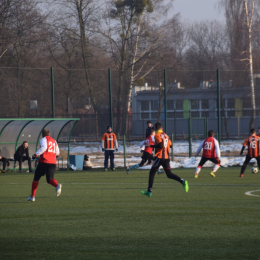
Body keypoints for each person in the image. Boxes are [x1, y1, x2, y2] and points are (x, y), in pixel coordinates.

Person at [141, 122, 189, 197]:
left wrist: (151, 145)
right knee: (169, 174)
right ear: (162, 128)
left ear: (155, 129)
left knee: (152, 173)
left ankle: (149, 191)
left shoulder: (157, 135)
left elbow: (160, 145)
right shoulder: (166, 135)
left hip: (160, 157)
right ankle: (182, 181)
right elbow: (171, 146)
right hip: (167, 158)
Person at [27, 129, 61, 202]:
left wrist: (36, 154)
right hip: (53, 163)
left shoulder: (44, 139)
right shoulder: (54, 141)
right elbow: (58, 152)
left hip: (44, 161)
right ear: (49, 134)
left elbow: (44, 147)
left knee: (36, 178)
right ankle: (57, 185)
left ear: (42, 134)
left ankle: (32, 196)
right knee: (49, 179)